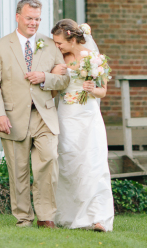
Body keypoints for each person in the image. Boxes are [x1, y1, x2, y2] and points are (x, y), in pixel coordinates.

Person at [0, 0, 70, 229]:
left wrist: (45, 77)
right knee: (19, 172)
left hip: (44, 115)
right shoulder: (0, 46)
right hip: (12, 118)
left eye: (38, 19)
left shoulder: (50, 45)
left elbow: (64, 79)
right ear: (18, 17)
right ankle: (23, 219)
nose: (34, 23)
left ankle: (46, 217)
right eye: (30, 18)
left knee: (49, 160)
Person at [50, 19, 114, 232]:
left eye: (59, 42)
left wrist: (91, 89)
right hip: (66, 116)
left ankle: (98, 218)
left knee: (93, 165)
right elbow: (53, 88)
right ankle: (69, 216)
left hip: (89, 117)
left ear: (72, 37)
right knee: (69, 164)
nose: (57, 45)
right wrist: (55, 75)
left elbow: (102, 91)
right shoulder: (59, 59)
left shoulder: (96, 58)